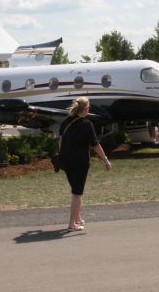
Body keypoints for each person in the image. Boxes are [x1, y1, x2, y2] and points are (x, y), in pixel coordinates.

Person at [58, 97, 111, 232]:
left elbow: (60, 141)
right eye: (89, 108)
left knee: (75, 190)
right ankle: (72, 223)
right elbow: (96, 145)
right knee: (77, 193)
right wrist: (105, 160)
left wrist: (62, 155)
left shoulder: (65, 122)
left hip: (66, 161)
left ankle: (77, 218)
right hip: (80, 162)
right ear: (86, 109)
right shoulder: (87, 124)